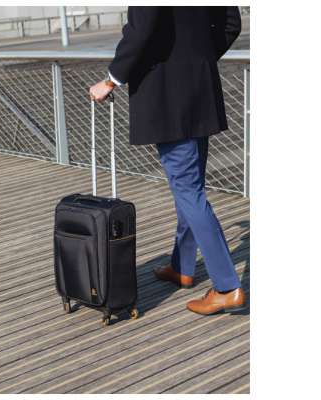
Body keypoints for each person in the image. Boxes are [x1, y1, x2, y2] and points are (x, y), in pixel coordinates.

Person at [89, 6, 246, 315]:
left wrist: (110, 80)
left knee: (188, 189)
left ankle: (227, 287)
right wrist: (197, 58)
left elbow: (141, 29)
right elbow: (231, 23)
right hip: (199, 88)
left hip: (168, 94)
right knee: (189, 186)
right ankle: (182, 266)